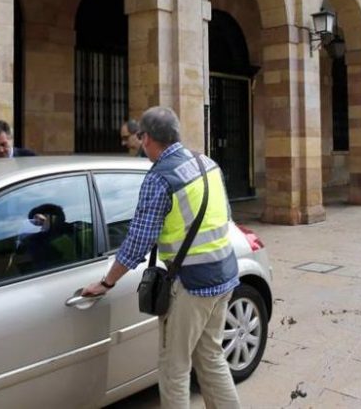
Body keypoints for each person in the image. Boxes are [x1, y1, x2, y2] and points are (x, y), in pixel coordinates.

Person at [79, 107, 241, 408]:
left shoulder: (160, 178)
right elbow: (226, 216)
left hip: (191, 286)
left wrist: (107, 282)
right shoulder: (207, 163)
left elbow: (138, 241)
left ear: (148, 138)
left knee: (174, 369)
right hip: (225, 276)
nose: (141, 145)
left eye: (141, 138)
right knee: (212, 358)